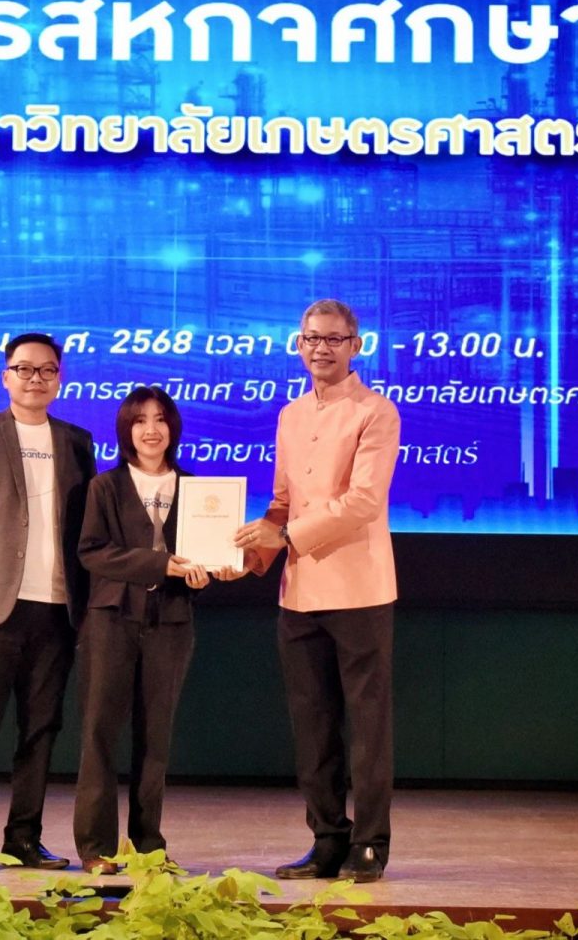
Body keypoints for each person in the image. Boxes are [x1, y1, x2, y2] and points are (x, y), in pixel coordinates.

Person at [234, 299, 401, 883]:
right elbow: (283, 500)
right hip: (299, 590)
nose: (322, 348)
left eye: (334, 339)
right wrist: (251, 552)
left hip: (359, 588)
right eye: (312, 338)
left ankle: (370, 844)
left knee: (368, 726)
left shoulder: (376, 411)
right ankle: (327, 839)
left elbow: (363, 502)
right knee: (312, 725)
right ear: (298, 344)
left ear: (356, 345)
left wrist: (284, 535)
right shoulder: (290, 414)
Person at [0, 332, 95, 868]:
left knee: (42, 729)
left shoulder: (77, 441)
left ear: (59, 379)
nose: (35, 378)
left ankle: (24, 837)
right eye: (24, 369)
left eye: (47, 370)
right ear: (6, 377)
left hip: (58, 608)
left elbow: (90, 527)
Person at [72, 386, 242, 873]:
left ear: (173, 428)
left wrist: (208, 573)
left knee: (155, 738)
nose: (151, 429)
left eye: (161, 419)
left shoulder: (195, 489)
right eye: (140, 420)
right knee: (100, 734)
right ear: (126, 429)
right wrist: (161, 563)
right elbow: (92, 553)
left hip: (171, 621)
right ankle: (97, 848)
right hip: (110, 620)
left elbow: (201, 558)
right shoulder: (105, 487)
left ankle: (149, 847)